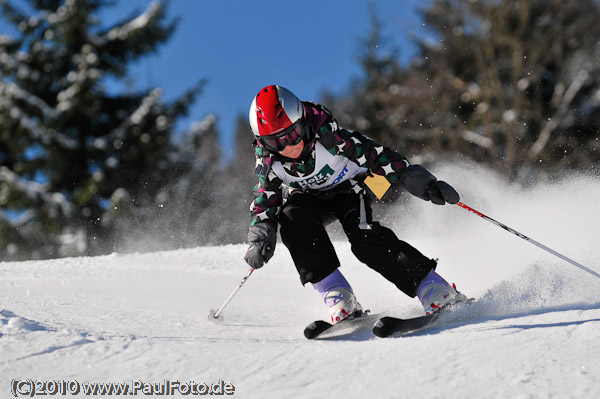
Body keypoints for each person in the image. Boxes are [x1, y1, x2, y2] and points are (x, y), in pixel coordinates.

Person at [244, 85, 467, 324]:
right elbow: (266, 198)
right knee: (291, 221)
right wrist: (260, 236)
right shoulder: (269, 163)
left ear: (304, 122)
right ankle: (337, 294)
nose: (288, 147)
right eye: (275, 142)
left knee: (365, 240)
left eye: (292, 135)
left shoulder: (330, 138)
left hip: (349, 188)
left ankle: (433, 287)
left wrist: (423, 183)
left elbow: (379, 157)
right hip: (308, 197)